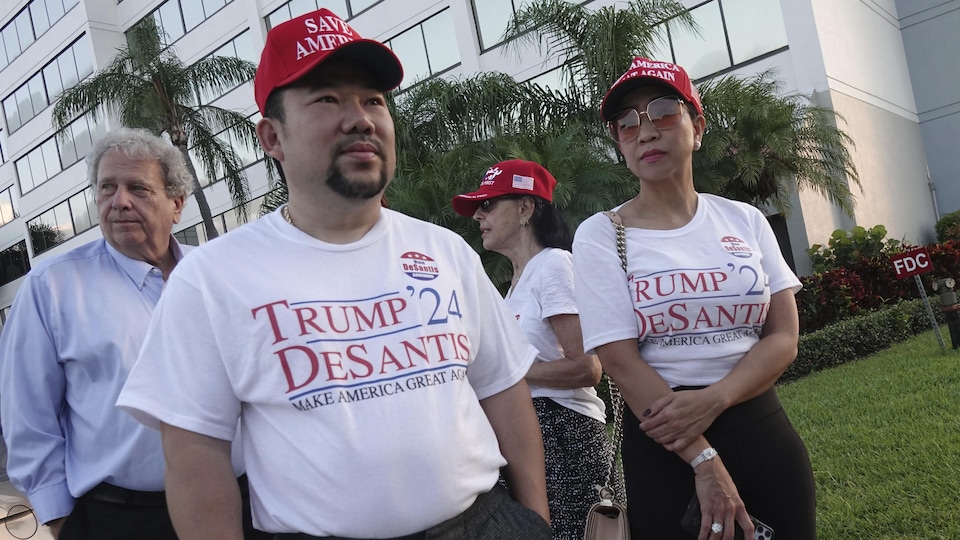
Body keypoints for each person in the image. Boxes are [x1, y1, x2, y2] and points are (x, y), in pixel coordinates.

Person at [116, 8, 552, 540]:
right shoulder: (211, 278)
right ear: (272, 137)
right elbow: (194, 457)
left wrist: (535, 523)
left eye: (373, 100)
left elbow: (503, 392)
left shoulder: (444, 251)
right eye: (327, 99)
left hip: (484, 525)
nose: (361, 118)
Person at [571, 57, 816, 540]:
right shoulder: (600, 234)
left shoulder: (744, 220)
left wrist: (717, 397)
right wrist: (704, 459)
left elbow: (784, 336)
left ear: (697, 126)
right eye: (626, 123)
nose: (644, 132)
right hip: (667, 440)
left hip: (762, 427)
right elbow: (619, 360)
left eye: (663, 111)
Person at [0, 128, 265, 540]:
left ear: (176, 204)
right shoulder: (52, 287)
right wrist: (60, 520)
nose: (118, 201)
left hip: (238, 507)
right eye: (107, 188)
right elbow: (27, 417)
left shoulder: (218, 276)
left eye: (137, 188)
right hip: (120, 520)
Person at [452, 160, 622, 539]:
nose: (478, 215)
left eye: (489, 204)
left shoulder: (554, 265)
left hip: (564, 434)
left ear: (526, 208)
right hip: (527, 433)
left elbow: (588, 368)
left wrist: (505, 373)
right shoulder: (514, 287)